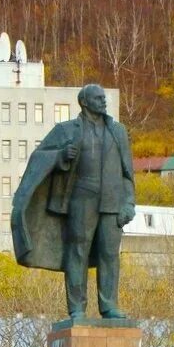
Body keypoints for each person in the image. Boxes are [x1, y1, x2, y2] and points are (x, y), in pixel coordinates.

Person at [11, 84, 135, 319]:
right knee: (77, 252)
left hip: (112, 201)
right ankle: (77, 308)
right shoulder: (66, 130)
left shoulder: (118, 131)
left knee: (110, 254)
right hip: (81, 199)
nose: (103, 101)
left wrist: (129, 202)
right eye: (97, 98)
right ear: (84, 102)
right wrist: (59, 156)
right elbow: (38, 157)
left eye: (104, 97)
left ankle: (109, 306)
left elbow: (127, 172)